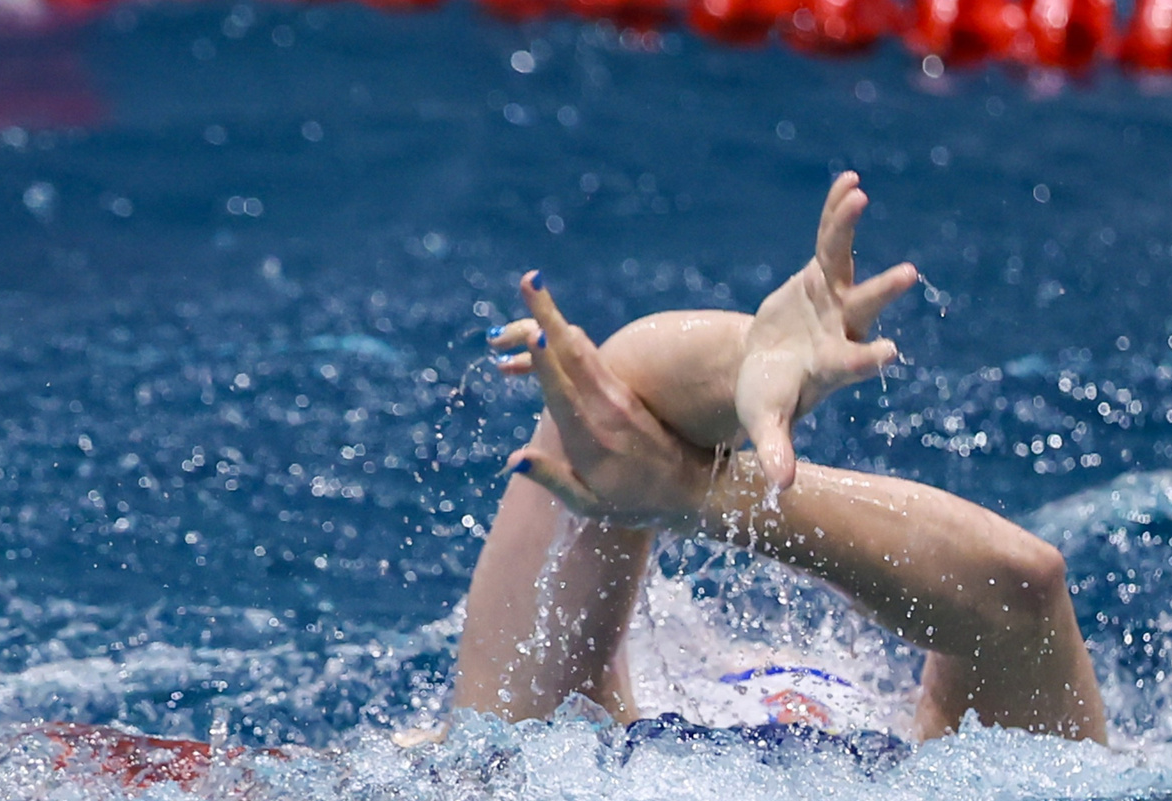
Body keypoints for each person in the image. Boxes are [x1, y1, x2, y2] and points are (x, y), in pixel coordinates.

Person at [449, 171, 1107, 747]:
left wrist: (692, 489)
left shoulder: (549, 745)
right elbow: (1020, 597)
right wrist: (747, 365)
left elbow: (1022, 593)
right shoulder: (544, 759)